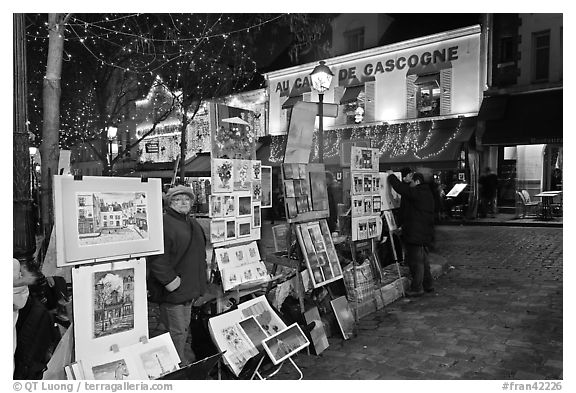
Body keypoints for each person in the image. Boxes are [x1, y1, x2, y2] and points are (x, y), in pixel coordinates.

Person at [147, 185, 208, 366]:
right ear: (169, 202)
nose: (183, 202)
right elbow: (157, 258)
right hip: (173, 290)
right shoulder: (164, 223)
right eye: (177, 199)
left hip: (188, 288)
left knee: (183, 329)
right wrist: (170, 281)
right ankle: (175, 368)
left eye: (187, 199)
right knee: (177, 332)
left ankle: (184, 362)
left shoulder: (191, 223)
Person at [387, 171, 435, 297]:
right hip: (423, 232)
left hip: (416, 233)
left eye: (411, 182)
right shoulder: (425, 192)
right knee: (423, 260)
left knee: (417, 262)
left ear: (417, 182)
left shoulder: (419, 192)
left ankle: (417, 288)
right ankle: (428, 284)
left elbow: (401, 189)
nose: (409, 185)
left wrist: (391, 176)